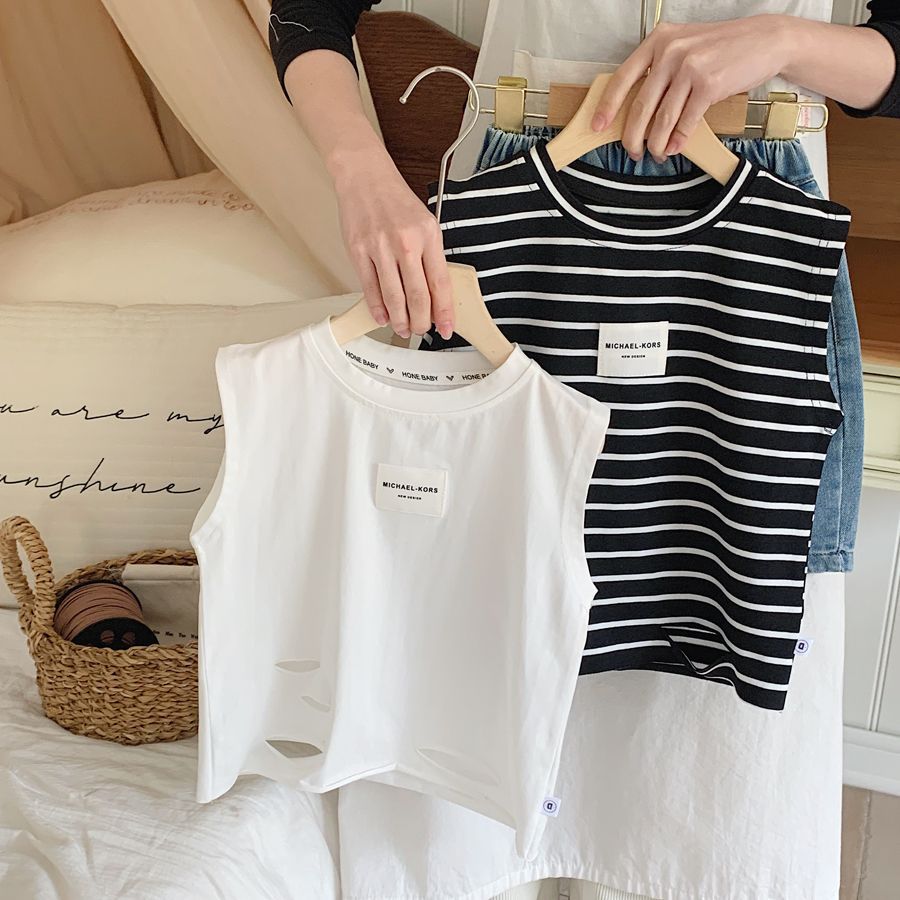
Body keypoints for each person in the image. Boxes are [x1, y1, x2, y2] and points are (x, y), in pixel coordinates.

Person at [267, 4, 899, 900]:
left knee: (721, 702)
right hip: (515, 202)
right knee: (478, 617)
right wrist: (360, 172)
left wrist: (785, 40)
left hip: (760, 213)